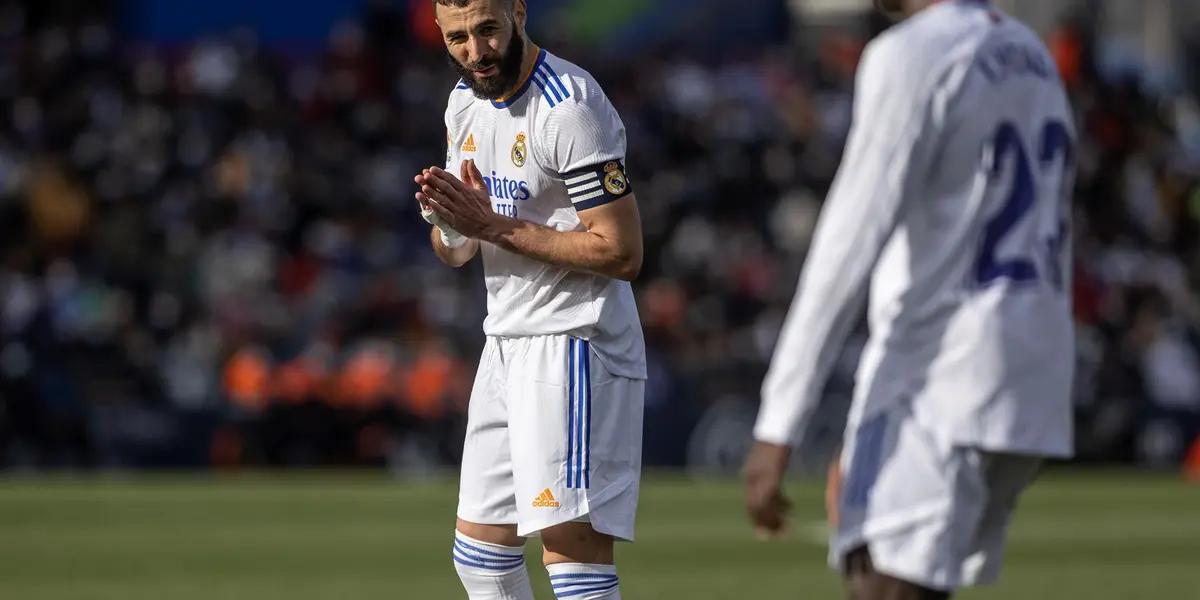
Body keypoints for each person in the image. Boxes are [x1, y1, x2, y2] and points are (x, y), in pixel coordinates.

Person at [744, 0, 1075, 598]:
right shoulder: (1032, 54)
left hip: (940, 373)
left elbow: (847, 244)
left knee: (882, 582)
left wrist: (778, 424)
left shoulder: (912, 52)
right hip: (1033, 367)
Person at [414, 1, 646, 598]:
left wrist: (490, 225)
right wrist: (453, 224)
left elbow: (622, 252)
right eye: (457, 37)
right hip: (506, 342)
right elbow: (457, 249)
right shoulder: (463, 103)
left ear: (518, 12)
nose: (475, 51)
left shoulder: (568, 106)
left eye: (487, 29)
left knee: (574, 565)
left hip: (574, 344)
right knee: (481, 560)